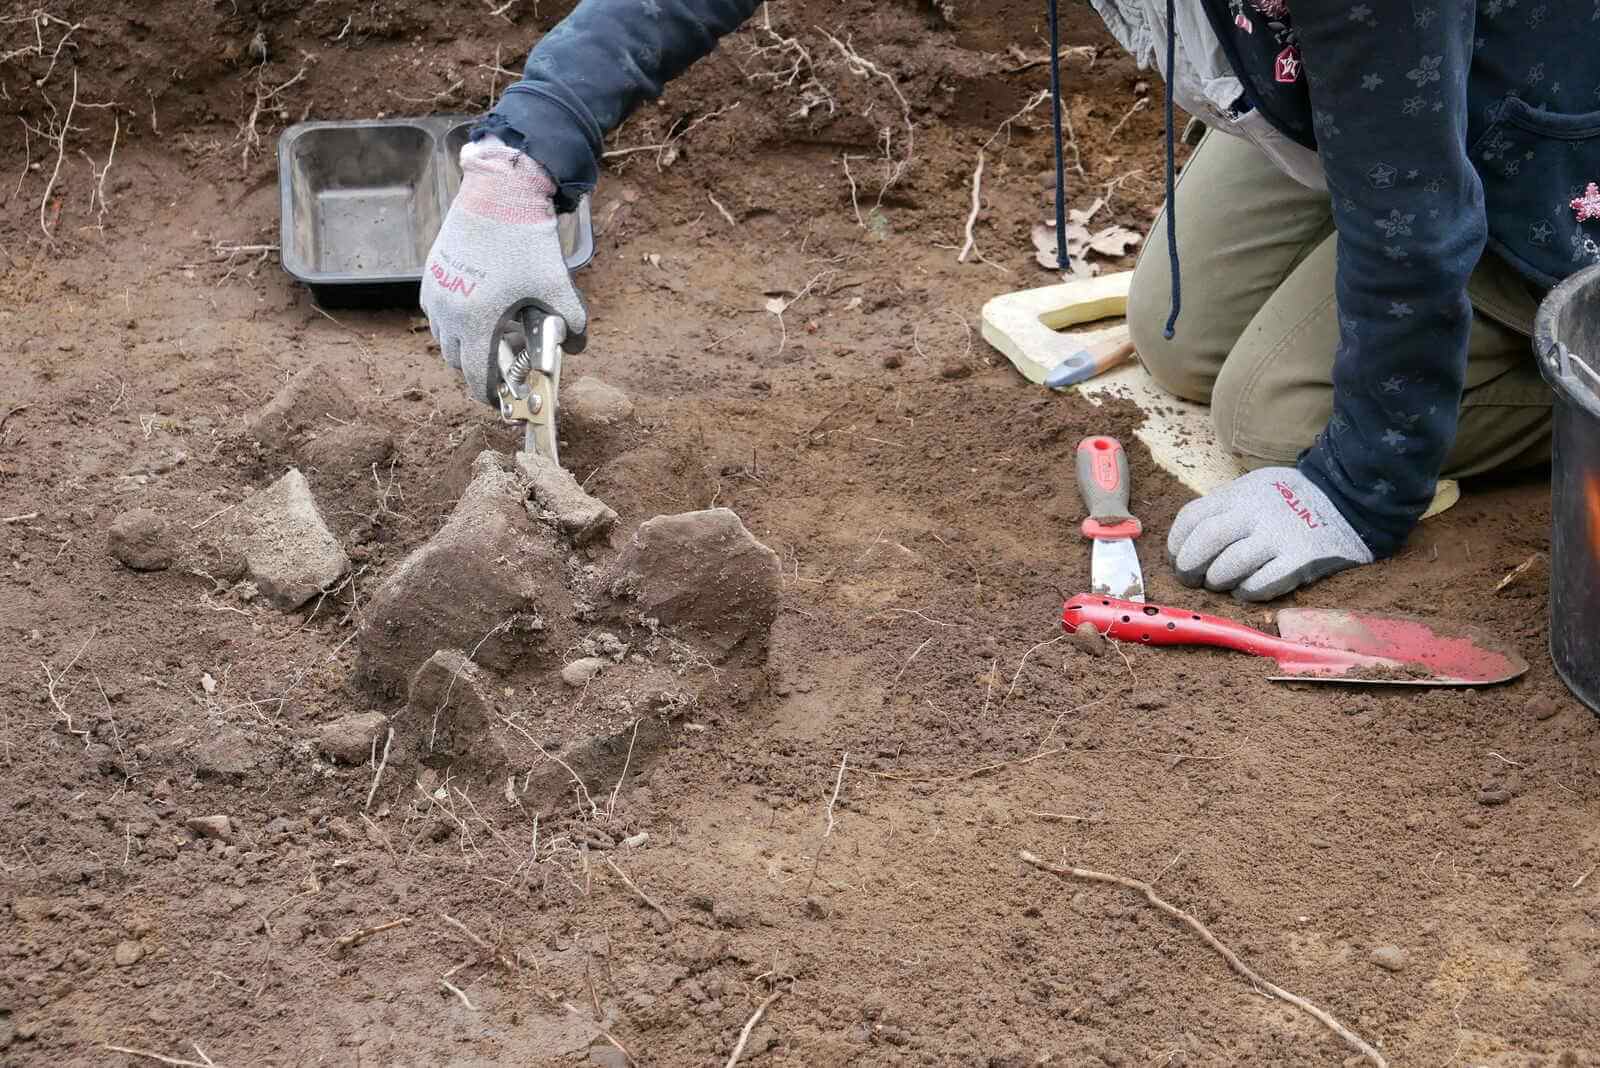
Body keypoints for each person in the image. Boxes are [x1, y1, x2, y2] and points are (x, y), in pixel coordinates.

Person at [421, 0, 1599, 602]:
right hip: (1342, 88)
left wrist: (1359, 485)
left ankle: (1571, 366)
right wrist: (520, 160)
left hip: (1537, 145)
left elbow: (1418, 221)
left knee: (1281, 420)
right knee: (1178, 338)